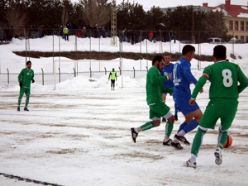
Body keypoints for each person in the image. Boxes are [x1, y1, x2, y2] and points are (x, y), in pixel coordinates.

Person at [185, 45, 248, 168]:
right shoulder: (235, 67)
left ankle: (192, 159)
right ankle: (219, 148)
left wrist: (193, 96)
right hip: (231, 104)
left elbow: (201, 81)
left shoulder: (211, 68)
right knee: (224, 130)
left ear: (213, 57)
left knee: (201, 130)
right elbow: (246, 82)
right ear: (226, 56)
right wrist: (234, 92)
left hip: (216, 103)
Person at [131, 55, 182, 149]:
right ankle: (166, 139)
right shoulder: (153, 70)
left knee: (156, 122)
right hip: (156, 100)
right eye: (162, 64)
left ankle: (136, 130)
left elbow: (160, 87)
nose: (163, 66)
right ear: (157, 62)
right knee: (171, 119)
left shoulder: (157, 72)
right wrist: (166, 78)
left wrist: (171, 91)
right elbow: (154, 81)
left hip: (153, 101)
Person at [173, 45, 203, 145]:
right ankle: (180, 134)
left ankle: (175, 140)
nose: (193, 56)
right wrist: (197, 84)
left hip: (178, 94)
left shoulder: (177, 63)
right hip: (184, 95)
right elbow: (187, 74)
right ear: (189, 53)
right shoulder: (186, 63)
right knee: (200, 117)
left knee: (189, 118)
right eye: (193, 54)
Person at [161, 55, 178, 122]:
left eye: (168, 58)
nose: (167, 59)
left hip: (172, 86)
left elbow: (177, 74)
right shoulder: (162, 67)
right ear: (164, 59)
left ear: (170, 59)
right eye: (166, 58)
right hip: (164, 86)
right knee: (163, 101)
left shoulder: (173, 66)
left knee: (176, 100)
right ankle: (164, 116)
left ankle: (176, 114)